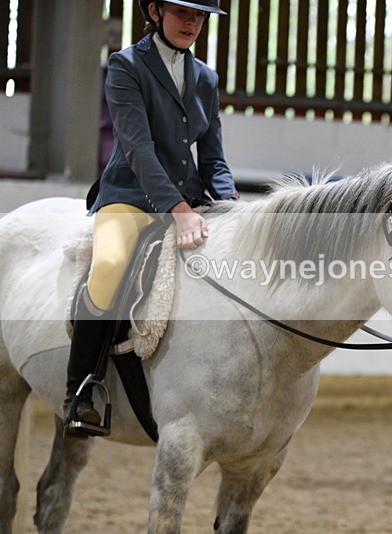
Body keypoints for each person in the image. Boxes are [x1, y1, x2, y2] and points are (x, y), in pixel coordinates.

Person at [64, 0, 238, 436]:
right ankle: (82, 391)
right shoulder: (125, 66)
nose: (193, 24)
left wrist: (230, 203)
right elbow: (138, 148)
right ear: (156, 11)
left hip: (189, 201)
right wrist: (177, 209)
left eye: (200, 17)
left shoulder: (206, 79)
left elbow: (213, 158)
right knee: (107, 267)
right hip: (130, 195)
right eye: (183, 13)